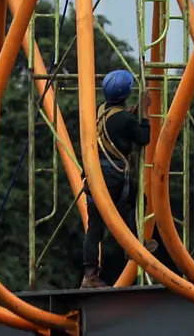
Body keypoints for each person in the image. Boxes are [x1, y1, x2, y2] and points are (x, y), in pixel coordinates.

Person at [80, 69, 154, 289]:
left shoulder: (100, 110)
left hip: (94, 176)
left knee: (94, 229)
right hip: (113, 177)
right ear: (126, 93)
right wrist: (145, 114)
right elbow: (143, 138)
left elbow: (118, 126)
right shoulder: (124, 119)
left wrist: (132, 115)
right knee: (137, 199)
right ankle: (133, 246)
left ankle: (89, 275)